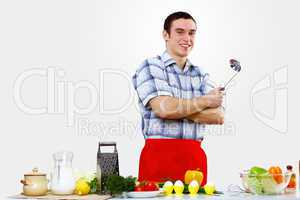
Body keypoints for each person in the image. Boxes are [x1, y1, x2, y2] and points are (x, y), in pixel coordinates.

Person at [132, 11, 224, 186]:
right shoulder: (151, 66)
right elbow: (163, 109)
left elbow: (218, 116)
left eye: (191, 33)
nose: (187, 38)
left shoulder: (200, 74)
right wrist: (205, 101)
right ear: (165, 35)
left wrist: (177, 109)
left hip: (194, 163)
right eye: (180, 32)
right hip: (158, 159)